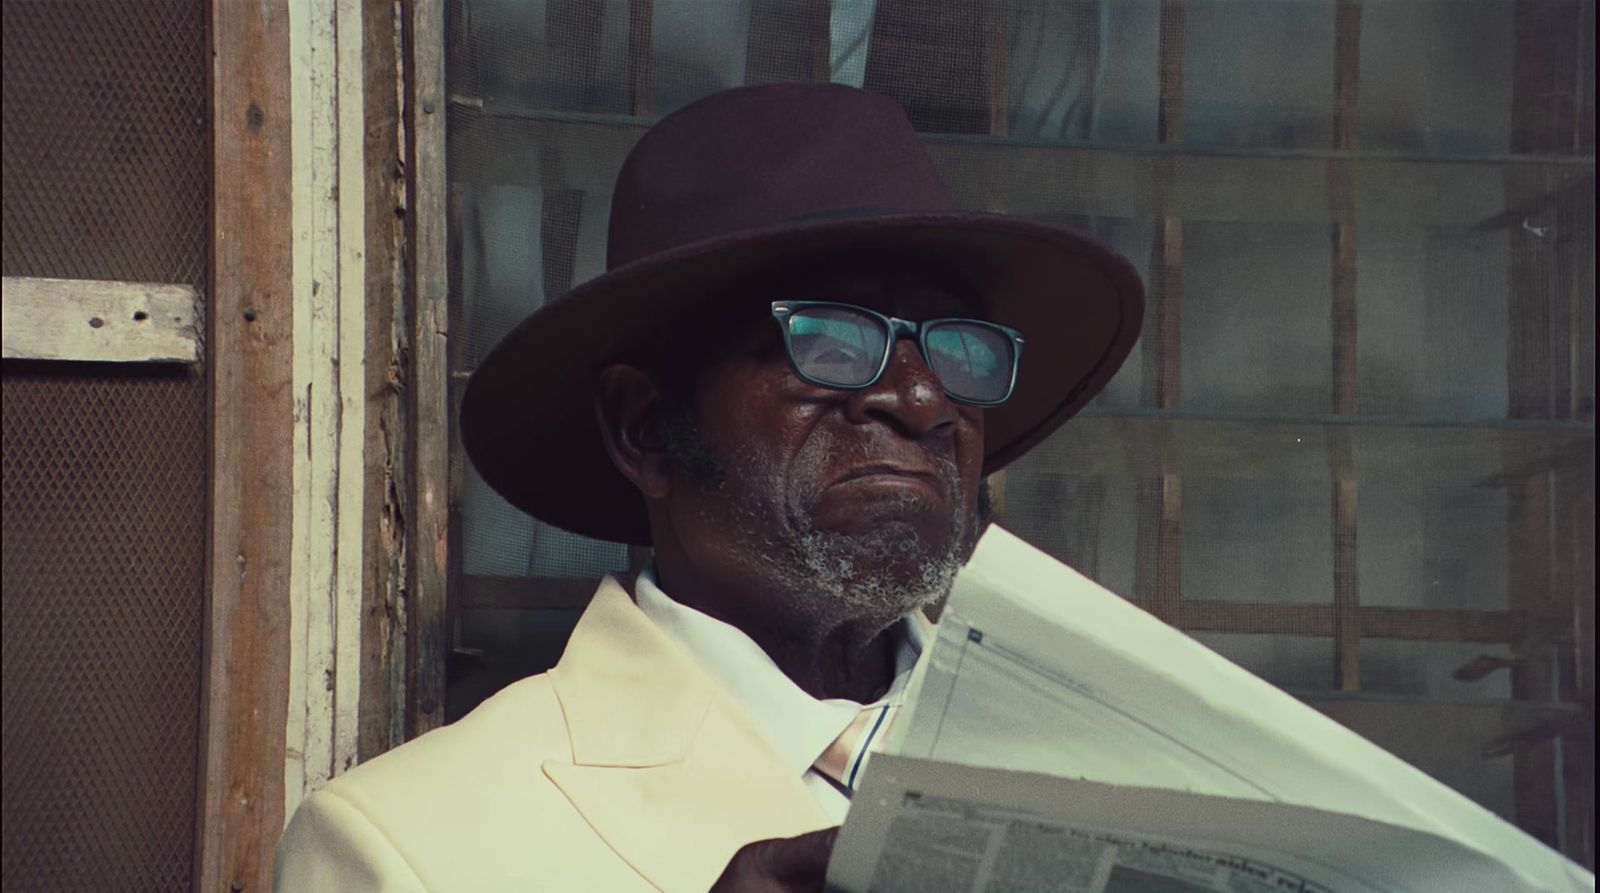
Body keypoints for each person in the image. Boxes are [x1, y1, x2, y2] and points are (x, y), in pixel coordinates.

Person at [274, 82, 1143, 892]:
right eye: (832, 339)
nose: (921, 400)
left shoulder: (1119, 784)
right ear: (645, 427)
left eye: (956, 350)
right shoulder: (403, 844)